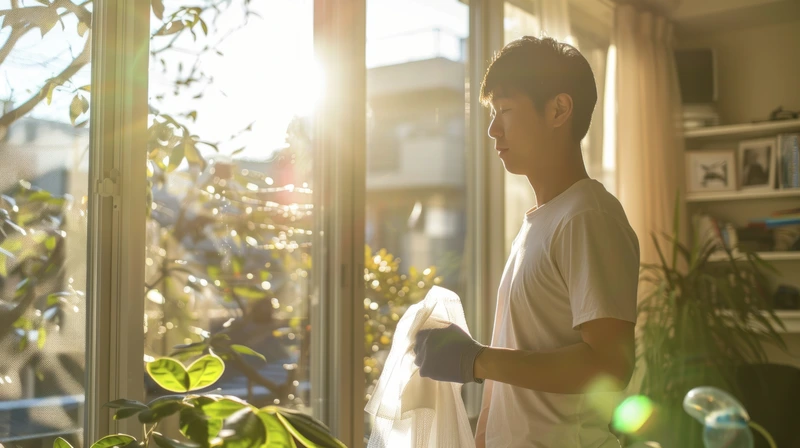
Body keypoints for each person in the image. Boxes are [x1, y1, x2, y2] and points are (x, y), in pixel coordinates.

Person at [412, 36, 640, 447]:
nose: (492, 128)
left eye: (506, 111)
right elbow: (512, 381)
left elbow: (611, 365)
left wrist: (474, 359)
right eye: (493, 112)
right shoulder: (541, 221)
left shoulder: (588, 216)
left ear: (558, 110)